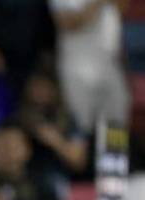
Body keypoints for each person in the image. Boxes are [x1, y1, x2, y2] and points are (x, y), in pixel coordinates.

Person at [49, 0, 129, 134]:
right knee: (82, 123)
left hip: (109, 62)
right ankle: (82, 152)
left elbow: (121, 8)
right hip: (77, 65)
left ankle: (111, 155)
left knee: (116, 123)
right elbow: (67, 23)